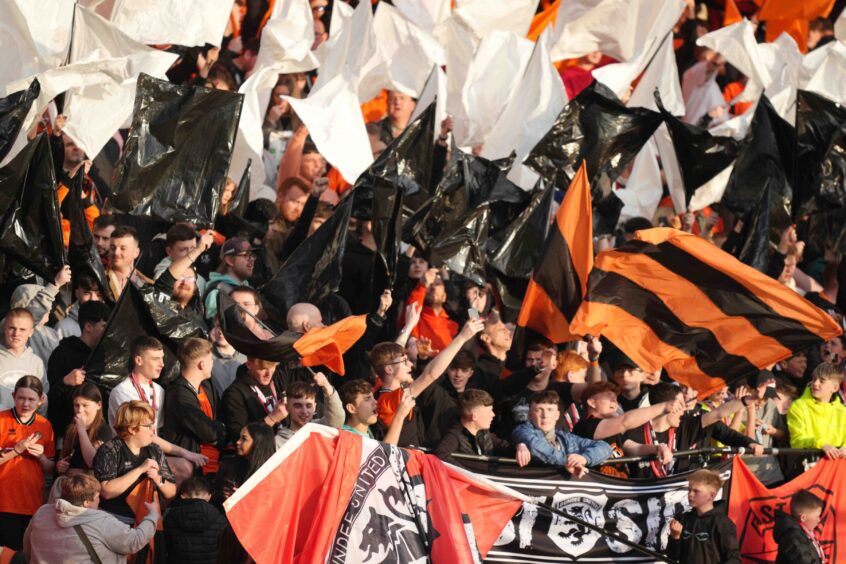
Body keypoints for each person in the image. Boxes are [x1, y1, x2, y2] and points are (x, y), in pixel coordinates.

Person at [372, 317, 485, 448]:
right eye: (404, 361)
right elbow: (430, 374)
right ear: (389, 369)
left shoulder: (379, 388)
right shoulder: (390, 399)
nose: (410, 365)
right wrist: (462, 338)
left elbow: (384, 359)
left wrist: (409, 325)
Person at [625, 383, 764, 478]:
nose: (684, 408)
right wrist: (656, 448)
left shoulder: (686, 425)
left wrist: (752, 398)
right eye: (680, 404)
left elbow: (718, 414)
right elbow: (631, 447)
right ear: (666, 406)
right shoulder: (637, 428)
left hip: (679, 502)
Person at [23, 473, 159, 564]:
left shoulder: (42, 512)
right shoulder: (101, 521)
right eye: (97, 498)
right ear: (86, 502)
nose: (99, 501)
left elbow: (28, 544)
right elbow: (134, 541)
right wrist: (152, 515)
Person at [573, 382, 684, 478]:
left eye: (615, 399)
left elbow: (634, 447)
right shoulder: (585, 426)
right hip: (598, 489)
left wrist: (657, 447)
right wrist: (663, 407)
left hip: (618, 485)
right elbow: (624, 422)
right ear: (591, 402)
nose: (614, 402)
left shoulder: (612, 428)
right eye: (609, 397)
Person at [92, 401, 176, 525]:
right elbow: (107, 492)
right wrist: (140, 469)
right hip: (113, 520)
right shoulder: (110, 450)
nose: (153, 431)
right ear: (132, 429)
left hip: (146, 519)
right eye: (148, 426)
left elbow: (171, 492)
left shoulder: (154, 450)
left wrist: (158, 479)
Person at [0, 376, 55, 550]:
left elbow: (50, 468)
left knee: (25, 556)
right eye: (21, 398)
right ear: (13, 395)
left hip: (32, 504)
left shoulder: (45, 425)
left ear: (41, 400)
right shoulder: (1, 420)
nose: (25, 403)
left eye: (31, 399)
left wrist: (41, 457)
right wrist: (16, 450)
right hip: (4, 502)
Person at [162, 338, 227, 477]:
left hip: (214, 465)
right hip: (192, 471)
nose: (212, 364)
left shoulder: (208, 387)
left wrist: (218, 429)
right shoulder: (178, 393)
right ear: (202, 364)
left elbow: (222, 420)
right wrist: (218, 429)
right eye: (211, 360)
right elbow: (207, 431)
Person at [47, 301, 111, 437]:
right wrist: (65, 381)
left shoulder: (106, 355)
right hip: (68, 433)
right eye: (104, 326)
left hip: (99, 432)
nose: (108, 331)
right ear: (88, 327)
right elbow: (49, 397)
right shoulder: (63, 353)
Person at [512, 391, 613, 476]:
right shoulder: (523, 430)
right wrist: (568, 462)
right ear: (530, 415)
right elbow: (537, 446)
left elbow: (605, 447)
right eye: (539, 410)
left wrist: (584, 458)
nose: (545, 415)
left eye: (550, 410)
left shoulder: (566, 438)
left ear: (557, 415)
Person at [667, 469, 741, 564]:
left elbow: (734, 558)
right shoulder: (684, 519)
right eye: (689, 490)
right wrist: (675, 537)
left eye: (696, 491)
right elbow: (672, 557)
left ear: (711, 495)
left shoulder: (722, 523)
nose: (690, 494)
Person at [220, 357, 288, 444]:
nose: (268, 374)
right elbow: (239, 437)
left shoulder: (277, 379)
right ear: (249, 364)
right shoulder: (234, 393)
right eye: (263, 369)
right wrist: (272, 418)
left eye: (272, 367)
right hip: (258, 455)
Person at [787, 362, 846, 459]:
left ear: (835, 388)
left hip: (838, 467)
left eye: (822, 381)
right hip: (809, 466)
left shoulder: (843, 411)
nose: (815, 383)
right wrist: (821, 444)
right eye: (814, 379)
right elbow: (796, 441)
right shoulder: (798, 406)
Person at [163, 477, 227, 564]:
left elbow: (165, 546)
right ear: (209, 497)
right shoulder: (219, 518)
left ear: (183, 496)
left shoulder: (170, 516)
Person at [435, 390, 513, 461]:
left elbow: (503, 446)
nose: (493, 414)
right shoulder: (454, 436)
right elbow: (441, 454)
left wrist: (521, 447)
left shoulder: (484, 434)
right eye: (489, 411)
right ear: (474, 416)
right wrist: (465, 472)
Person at [56, 383, 113, 476]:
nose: (80, 410)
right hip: (70, 483)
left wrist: (82, 430)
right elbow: (62, 457)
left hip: (90, 485)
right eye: (76, 405)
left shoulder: (104, 430)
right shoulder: (71, 429)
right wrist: (60, 465)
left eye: (85, 405)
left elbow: (92, 462)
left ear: (98, 405)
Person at [214, 422, 276, 506]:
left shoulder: (273, 473)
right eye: (240, 437)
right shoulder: (228, 466)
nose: (238, 442)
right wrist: (223, 494)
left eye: (244, 439)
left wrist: (247, 499)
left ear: (258, 443)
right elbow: (212, 493)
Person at [275, 373, 343, 447]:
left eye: (309, 406)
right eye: (298, 406)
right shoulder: (278, 442)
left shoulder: (321, 428)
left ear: (315, 407)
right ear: (287, 407)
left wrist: (326, 385)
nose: (304, 411)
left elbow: (337, 420)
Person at [0, 309, 46, 412]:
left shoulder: (36, 363)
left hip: (28, 426)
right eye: (12, 328)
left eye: (22, 329)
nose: (16, 334)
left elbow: (42, 401)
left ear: (31, 332)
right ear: (5, 328)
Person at [405, 268, 459, 352]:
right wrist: (422, 285)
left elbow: (476, 329)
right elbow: (412, 307)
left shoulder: (453, 325)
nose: (433, 287)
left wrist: (472, 308)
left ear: (444, 297)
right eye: (430, 284)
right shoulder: (415, 319)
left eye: (437, 284)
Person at [204, 237, 256, 321]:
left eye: (252, 255)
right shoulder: (217, 292)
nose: (252, 259)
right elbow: (216, 325)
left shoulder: (249, 288)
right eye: (246, 255)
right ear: (230, 260)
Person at [773, 489, 826, 564]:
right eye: (817, 516)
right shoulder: (794, 539)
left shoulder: (802, 534)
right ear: (803, 518)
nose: (819, 520)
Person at [107, 225, 151, 301]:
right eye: (112, 248)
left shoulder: (145, 284)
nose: (116, 253)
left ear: (136, 253)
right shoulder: (101, 280)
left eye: (122, 248)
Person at [55, 272, 104, 338]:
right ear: (77, 294)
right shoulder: (63, 328)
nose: (93, 299)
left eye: (98, 295)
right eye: (87, 293)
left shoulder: (109, 324)